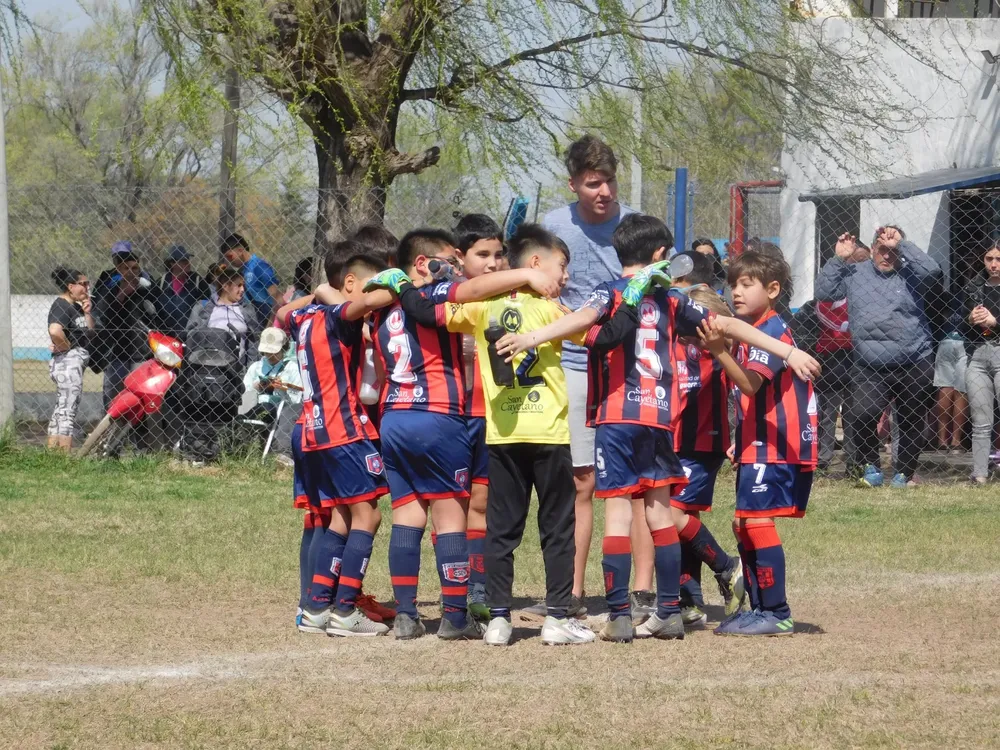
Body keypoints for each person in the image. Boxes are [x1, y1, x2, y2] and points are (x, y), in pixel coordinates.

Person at [494, 217, 818, 642]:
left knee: (618, 512)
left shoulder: (610, 292)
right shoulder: (671, 300)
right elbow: (727, 326)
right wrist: (786, 350)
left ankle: (619, 617)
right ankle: (667, 610)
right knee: (661, 512)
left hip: (616, 419)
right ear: (662, 257)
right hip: (659, 419)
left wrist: (532, 338)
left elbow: (585, 318)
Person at [373, 224, 594, 646]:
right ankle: (557, 616)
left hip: (499, 431)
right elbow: (594, 332)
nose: (563, 277)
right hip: (543, 429)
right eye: (560, 267)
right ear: (535, 264)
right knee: (555, 526)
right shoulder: (551, 309)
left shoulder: (479, 308)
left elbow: (424, 310)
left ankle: (496, 618)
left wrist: (402, 284)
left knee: (499, 527)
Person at [277, 254, 396, 636]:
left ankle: (315, 607)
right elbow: (369, 301)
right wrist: (401, 283)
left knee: (341, 516)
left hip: (312, 430)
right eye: (370, 283)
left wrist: (317, 293)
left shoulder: (303, 317)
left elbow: (282, 314)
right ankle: (345, 611)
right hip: (343, 429)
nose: (376, 292)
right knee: (368, 516)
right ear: (348, 284)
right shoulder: (336, 315)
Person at [541, 133, 636, 614]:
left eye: (610, 182)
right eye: (593, 183)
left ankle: (643, 593)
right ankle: (572, 593)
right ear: (574, 183)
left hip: (625, 366)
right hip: (574, 363)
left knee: (634, 484)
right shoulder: (554, 226)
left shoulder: (636, 226)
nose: (604, 192)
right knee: (581, 481)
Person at [702, 251, 818, 637]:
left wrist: (719, 351)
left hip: (777, 445)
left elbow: (750, 384)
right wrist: (742, 440)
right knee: (742, 523)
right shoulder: (753, 328)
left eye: (746, 284)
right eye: (733, 284)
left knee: (756, 522)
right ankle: (758, 607)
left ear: (772, 290)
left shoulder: (770, 330)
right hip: (758, 443)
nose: (736, 291)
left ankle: (777, 611)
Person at [815, 227, 941, 488]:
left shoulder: (912, 274)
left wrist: (902, 245)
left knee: (912, 419)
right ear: (872, 249)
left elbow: (933, 273)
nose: (887, 255)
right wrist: (839, 258)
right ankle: (870, 464)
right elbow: (824, 292)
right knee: (861, 414)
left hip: (914, 358)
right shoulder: (855, 273)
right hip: (869, 362)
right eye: (882, 249)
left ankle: (904, 474)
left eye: (892, 251)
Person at [671, 287, 744, 628]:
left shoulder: (720, 350)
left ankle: (728, 567)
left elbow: (744, 393)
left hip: (703, 443)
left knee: (670, 516)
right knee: (684, 522)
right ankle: (690, 601)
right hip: (672, 442)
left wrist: (739, 440)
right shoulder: (672, 341)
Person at [452, 212, 506, 619]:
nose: (492, 262)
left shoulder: (507, 298)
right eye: (482, 254)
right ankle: (452, 583)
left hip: (490, 412)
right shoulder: (447, 295)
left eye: (498, 255)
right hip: (450, 416)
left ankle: (478, 585)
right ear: (459, 257)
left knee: (483, 501)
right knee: (452, 502)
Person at [92, 245, 157, 409]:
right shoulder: (110, 290)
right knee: (113, 397)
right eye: (125, 268)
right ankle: (110, 432)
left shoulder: (147, 290)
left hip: (142, 353)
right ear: (118, 270)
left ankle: (139, 433)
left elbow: (159, 317)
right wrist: (122, 294)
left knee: (141, 398)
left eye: (134, 268)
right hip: (117, 353)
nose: (130, 272)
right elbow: (103, 317)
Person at [963, 242, 1000, 484]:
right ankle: (979, 475)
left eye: (998, 259)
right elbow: (957, 325)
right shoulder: (973, 286)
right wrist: (970, 318)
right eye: (989, 259)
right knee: (981, 419)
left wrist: (995, 322)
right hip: (977, 355)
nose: (994, 264)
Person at [46, 267, 94, 450]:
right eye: (83, 284)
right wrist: (67, 347)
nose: (87, 287)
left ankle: (52, 455)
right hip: (67, 363)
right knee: (68, 411)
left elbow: (89, 332)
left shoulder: (76, 306)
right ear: (70, 286)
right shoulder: (61, 305)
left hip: (72, 363)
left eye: (88, 284)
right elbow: (54, 330)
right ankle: (64, 457)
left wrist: (87, 312)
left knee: (61, 410)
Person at [187, 262, 259, 363]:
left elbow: (253, 342)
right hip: (208, 364)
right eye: (238, 285)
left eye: (243, 285)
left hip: (238, 367)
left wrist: (250, 368)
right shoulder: (203, 307)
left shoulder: (247, 309)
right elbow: (191, 335)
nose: (243, 289)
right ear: (225, 286)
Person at [220, 233, 282, 334]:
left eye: (230, 256)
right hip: (250, 324)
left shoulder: (259, 266)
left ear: (240, 250)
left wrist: (269, 326)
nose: (229, 261)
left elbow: (278, 300)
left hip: (264, 322)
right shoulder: (242, 271)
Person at [932, 292, 968, 454]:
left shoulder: (941, 298)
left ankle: (941, 440)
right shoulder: (972, 294)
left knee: (945, 388)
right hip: (965, 341)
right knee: (961, 391)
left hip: (944, 340)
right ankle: (956, 440)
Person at [242, 327, 303, 410]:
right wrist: (256, 387)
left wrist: (282, 389)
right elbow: (243, 396)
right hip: (255, 411)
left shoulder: (293, 369)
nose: (270, 356)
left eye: (275, 352)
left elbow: (296, 402)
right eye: (267, 352)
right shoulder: (255, 367)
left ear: (284, 348)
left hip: (282, 415)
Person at [157, 246, 211, 338]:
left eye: (187, 259)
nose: (187, 263)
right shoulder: (163, 282)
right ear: (172, 263)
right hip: (166, 334)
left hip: (191, 333)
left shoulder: (197, 281)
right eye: (182, 260)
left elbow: (207, 305)